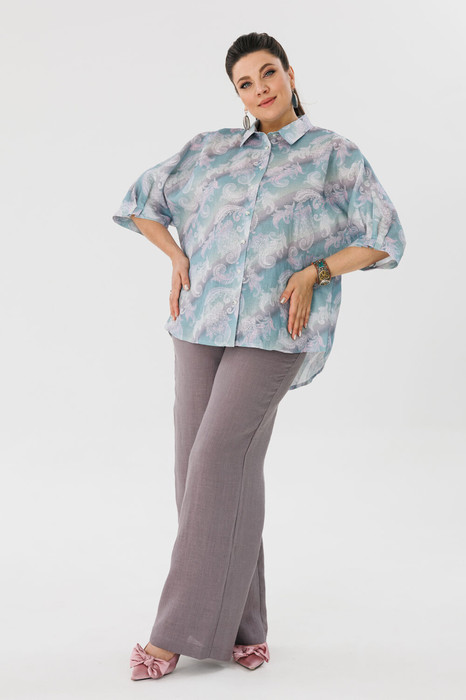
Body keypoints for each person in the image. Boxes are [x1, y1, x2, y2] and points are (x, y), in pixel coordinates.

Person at [112, 32, 406, 680]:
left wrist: (316, 271)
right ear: (237, 93)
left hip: (276, 330)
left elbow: (386, 237)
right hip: (199, 323)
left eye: (267, 73)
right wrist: (176, 255)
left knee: (218, 459)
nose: (260, 88)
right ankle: (247, 627)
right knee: (200, 472)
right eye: (245, 83)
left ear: (290, 74)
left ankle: (175, 633)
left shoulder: (333, 155)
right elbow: (140, 202)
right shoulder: (210, 150)